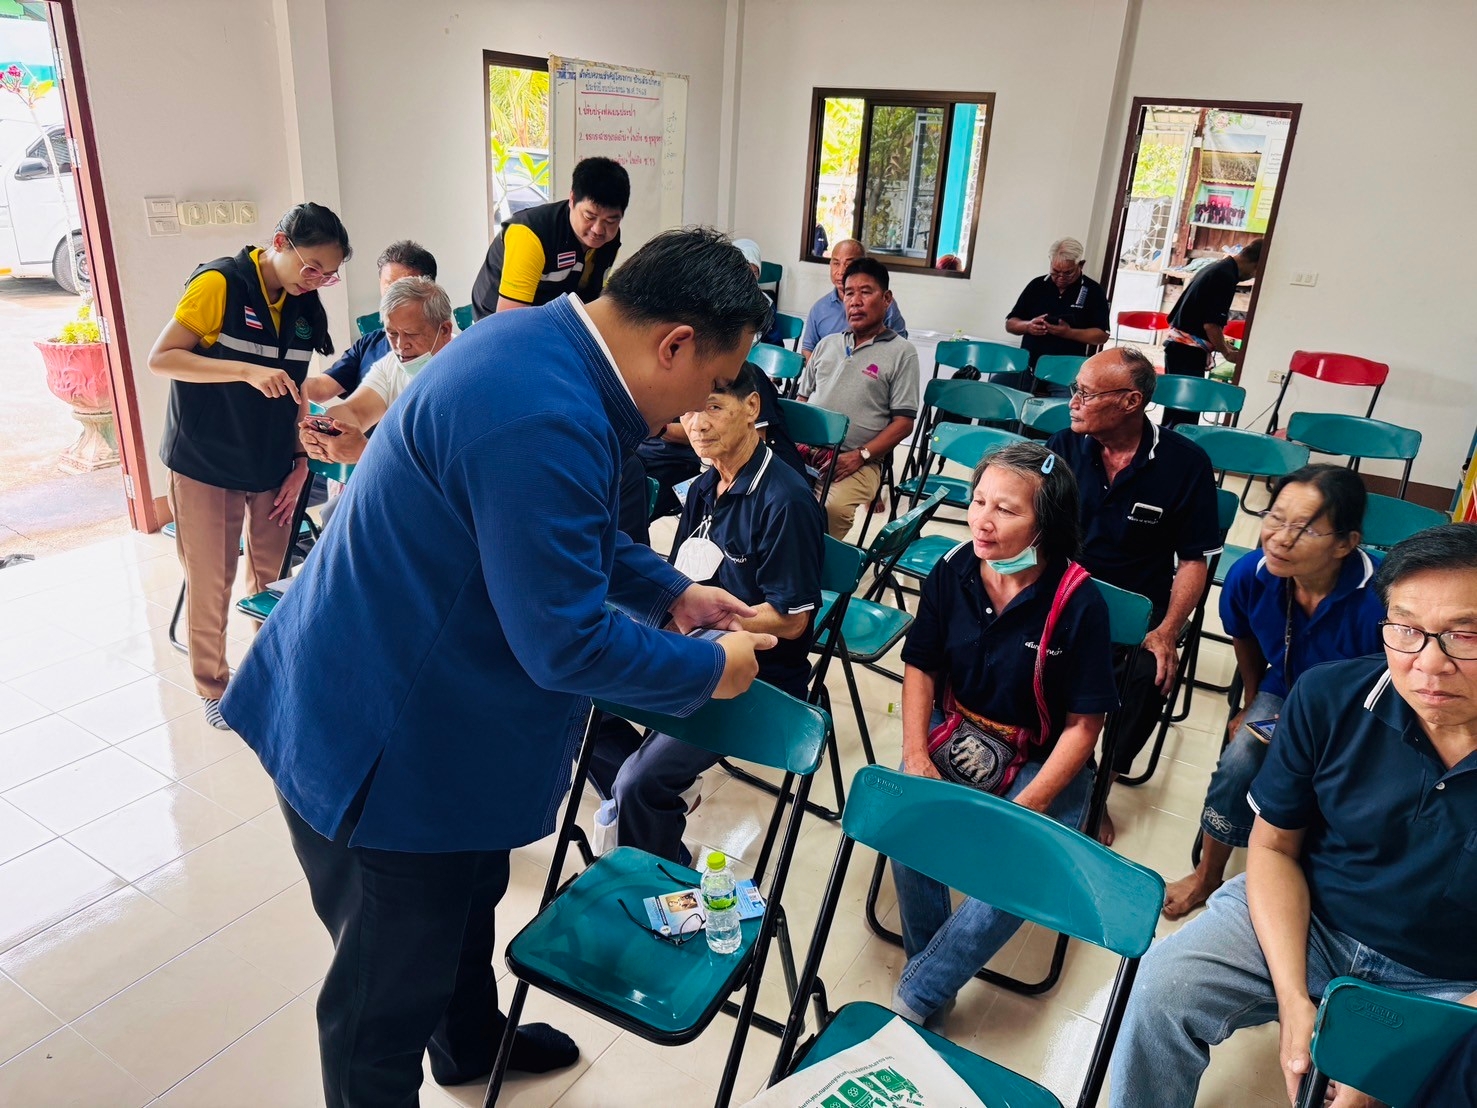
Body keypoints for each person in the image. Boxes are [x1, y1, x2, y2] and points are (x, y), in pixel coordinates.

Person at [219, 228, 777, 1107]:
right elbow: (564, 643)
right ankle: (423, 1055)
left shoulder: (541, 344)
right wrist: (711, 672)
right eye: (711, 382)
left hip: (421, 712)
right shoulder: (544, 413)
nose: (698, 407)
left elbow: (554, 531)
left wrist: (670, 592)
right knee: (382, 1000)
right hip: (377, 740)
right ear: (674, 343)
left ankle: (470, 1044)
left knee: (464, 900)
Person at [1110, 523, 1477, 1108]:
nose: (1429, 664)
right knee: (1160, 989)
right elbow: (1275, 846)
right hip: (1312, 921)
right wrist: (1293, 999)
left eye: (1464, 635)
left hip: (1451, 979)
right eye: (1406, 629)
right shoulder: (1328, 697)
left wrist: (1402, 1058)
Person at [890, 442, 1118, 1025]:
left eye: (1006, 510)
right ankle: (932, 976)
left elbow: (1083, 725)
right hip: (959, 725)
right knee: (908, 810)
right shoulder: (953, 570)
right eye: (978, 501)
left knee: (1026, 857)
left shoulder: (1079, 603)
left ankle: (918, 994)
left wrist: (1029, 804)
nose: (982, 521)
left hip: (1042, 754)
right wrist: (916, 755)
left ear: (1046, 524)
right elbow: (921, 665)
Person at [605, 362, 824, 863]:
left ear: (751, 408)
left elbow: (792, 620)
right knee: (576, 704)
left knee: (640, 783)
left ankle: (660, 869)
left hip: (759, 672)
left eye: (713, 408)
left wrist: (712, 621)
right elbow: (682, 578)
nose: (697, 424)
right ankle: (647, 803)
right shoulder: (705, 486)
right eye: (688, 411)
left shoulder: (785, 500)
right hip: (696, 650)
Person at [146, 202, 349, 731]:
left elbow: (298, 390)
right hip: (205, 461)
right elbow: (161, 358)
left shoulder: (305, 306)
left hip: (273, 463)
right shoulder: (220, 284)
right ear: (280, 243)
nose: (316, 280)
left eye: (328, 274)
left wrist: (300, 461)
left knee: (271, 579)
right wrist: (244, 370)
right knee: (212, 581)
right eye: (311, 267)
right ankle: (213, 687)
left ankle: (267, 677)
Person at [1163, 466, 1384, 919]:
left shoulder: (1381, 598)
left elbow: (1394, 687)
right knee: (1242, 757)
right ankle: (1207, 875)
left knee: (1346, 785)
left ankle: (1316, 882)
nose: (1280, 539)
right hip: (1285, 690)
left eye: (1304, 529)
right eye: (1275, 518)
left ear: (1346, 543)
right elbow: (1244, 637)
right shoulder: (1250, 575)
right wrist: (1250, 703)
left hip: (1362, 713)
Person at [1046, 348, 1221, 844]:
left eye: (1086, 393)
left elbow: (1194, 560)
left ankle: (1100, 783)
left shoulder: (1184, 464)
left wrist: (1167, 631)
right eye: (1075, 389)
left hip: (1139, 606)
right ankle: (1054, 763)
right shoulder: (1063, 445)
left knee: (1151, 673)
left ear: (1131, 401)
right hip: (1064, 593)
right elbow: (1034, 525)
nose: (1072, 401)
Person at [639, 239, 806, 519]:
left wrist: (660, 429)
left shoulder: (746, 376)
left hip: (753, 488)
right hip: (709, 468)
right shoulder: (685, 370)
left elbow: (749, 450)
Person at [798, 257, 919, 539]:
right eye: (849, 293)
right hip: (808, 451)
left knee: (831, 508)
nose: (855, 301)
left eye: (865, 292)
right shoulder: (827, 344)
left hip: (859, 459)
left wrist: (860, 455)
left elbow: (904, 423)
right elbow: (802, 400)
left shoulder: (902, 353)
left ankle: (819, 562)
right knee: (774, 492)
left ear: (886, 299)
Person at [299, 276, 455, 467]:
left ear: (444, 330)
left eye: (412, 334)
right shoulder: (392, 364)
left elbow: (443, 460)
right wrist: (326, 432)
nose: (400, 345)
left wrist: (367, 451)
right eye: (392, 334)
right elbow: (356, 411)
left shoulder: (463, 371)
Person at [469, 155, 628, 318]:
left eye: (610, 221)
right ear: (572, 200)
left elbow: (591, 295)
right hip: (495, 321)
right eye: (589, 216)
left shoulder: (609, 240)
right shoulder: (530, 235)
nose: (598, 230)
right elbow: (509, 322)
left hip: (553, 317)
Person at [304, 240, 437, 404]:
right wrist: (282, 379)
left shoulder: (445, 349)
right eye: (389, 286)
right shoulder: (369, 345)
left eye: (405, 286)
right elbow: (322, 388)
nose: (395, 295)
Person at [1161, 240, 1262, 427]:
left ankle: (1169, 442)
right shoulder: (1224, 276)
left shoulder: (1218, 267)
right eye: (1256, 273)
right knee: (1185, 413)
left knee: (1176, 410)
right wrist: (1226, 352)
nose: (1252, 277)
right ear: (1255, 264)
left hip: (1180, 348)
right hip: (1187, 351)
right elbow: (1211, 325)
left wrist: (1223, 344)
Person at [1004, 237, 1110, 379]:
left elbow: (1102, 335)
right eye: (1055, 271)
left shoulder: (1093, 290)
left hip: (1067, 371)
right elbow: (1010, 324)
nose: (1060, 277)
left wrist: (1069, 333)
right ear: (1050, 262)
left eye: (1068, 273)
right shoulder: (1037, 285)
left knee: (1067, 393)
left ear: (1081, 265)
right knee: (996, 387)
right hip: (1028, 367)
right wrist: (1028, 326)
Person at [799, 238, 907, 360]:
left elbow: (900, 347)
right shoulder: (819, 308)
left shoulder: (883, 304)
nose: (841, 271)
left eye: (848, 264)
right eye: (836, 263)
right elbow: (808, 349)